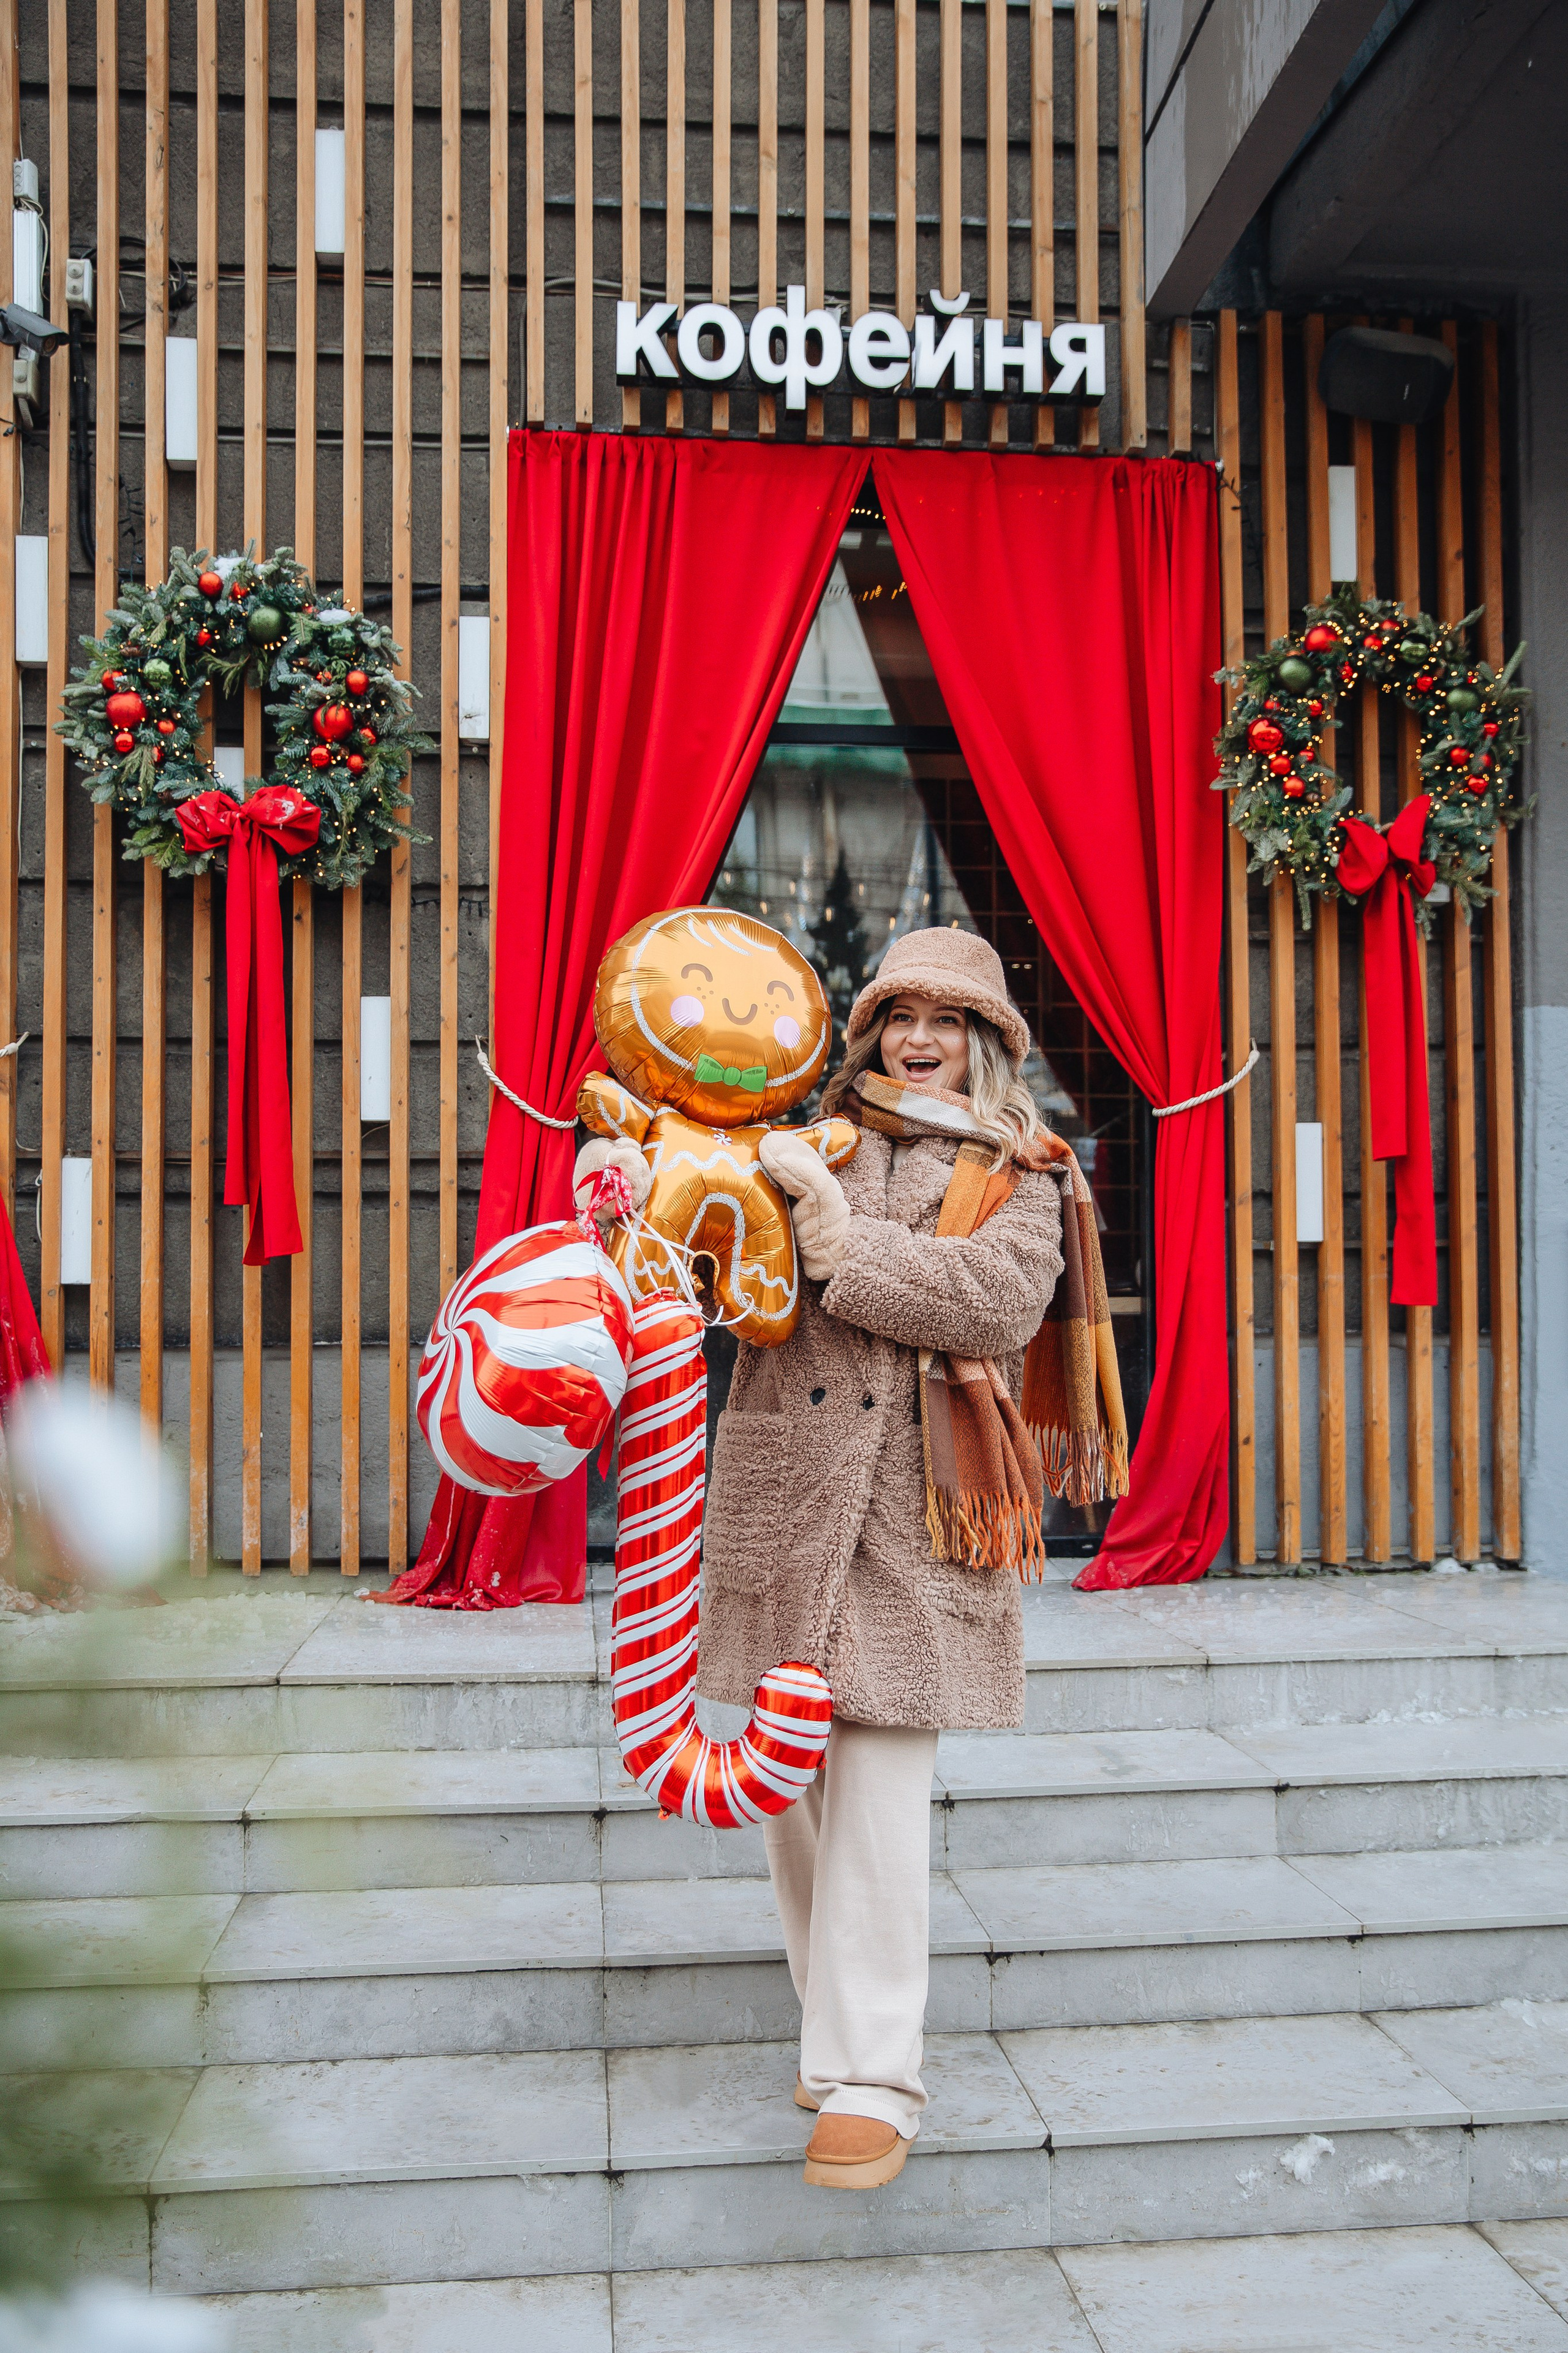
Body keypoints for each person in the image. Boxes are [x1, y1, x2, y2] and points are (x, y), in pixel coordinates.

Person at [696, 926, 1068, 2191]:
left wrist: (836, 1243)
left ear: (988, 1041)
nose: (919, 1036)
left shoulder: (1025, 1172)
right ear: (868, 1030)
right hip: (786, 1491)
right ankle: (828, 2023)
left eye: (946, 1019)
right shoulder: (800, 1142)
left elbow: (989, 1303)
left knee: (877, 1796)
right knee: (784, 1787)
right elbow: (727, 1284)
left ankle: (872, 2075)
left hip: (919, 1512)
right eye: (899, 1014)